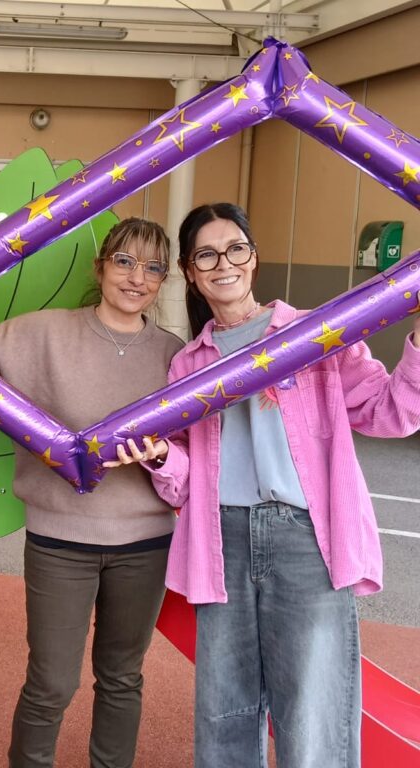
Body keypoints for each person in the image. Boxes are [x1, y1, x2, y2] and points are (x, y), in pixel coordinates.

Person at [108, 202, 420, 768]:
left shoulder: (317, 334)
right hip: (221, 539)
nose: (223, 263)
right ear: (190, 271)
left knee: (313, 707)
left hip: (305, 538)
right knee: (223, 707)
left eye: (235, 249)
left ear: (253, 258)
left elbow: (391, 413)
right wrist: (160, 457)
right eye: (206, 255)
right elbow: (183, 484)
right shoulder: (188, 365)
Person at [0, 218, 184, 768]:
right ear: (100, 267)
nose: (137, 278)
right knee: (51, 683)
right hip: (61, 543)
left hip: (146, 545)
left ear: (163, 281)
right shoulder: (45, 333)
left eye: (153, 268)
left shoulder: (174, 355)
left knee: (122, 677)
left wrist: (161, 456)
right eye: (125, 261)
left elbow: (191, 452)